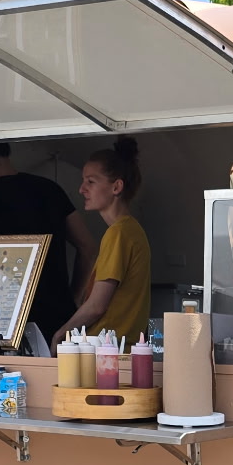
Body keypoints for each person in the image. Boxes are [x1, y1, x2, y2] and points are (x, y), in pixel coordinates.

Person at [0, 143, 98, 344]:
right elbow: (88, 247)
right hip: (57, 319)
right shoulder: (50, 190)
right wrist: (73, 299)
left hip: (2, 324)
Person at [60, 138, 152, 342]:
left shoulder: (118, 233)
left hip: (106, 352)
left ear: (116, 187)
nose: (82, 189)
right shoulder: (132, 230)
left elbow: (96, 306)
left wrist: (61, 333)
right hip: (124, 348)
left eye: (91, 182)